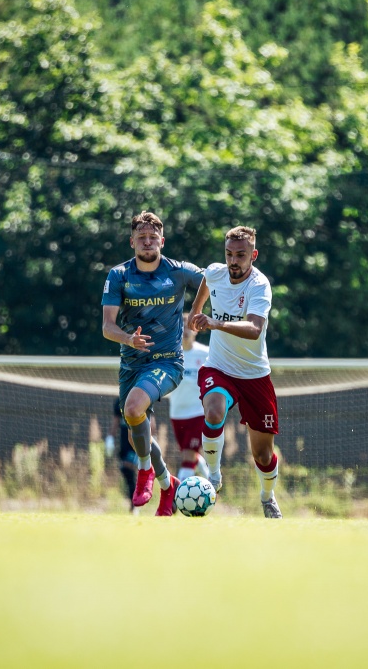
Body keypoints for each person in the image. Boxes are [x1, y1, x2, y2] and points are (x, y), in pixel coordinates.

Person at [101, 211, 203, 516]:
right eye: (141, 237)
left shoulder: (179, 271)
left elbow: (213, 280)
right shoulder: (119, 275)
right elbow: (108, 327)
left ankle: (145, 472)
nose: (147, 242)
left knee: (132, 409)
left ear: (162, 239)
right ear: (132, 241)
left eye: (152, 236)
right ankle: (167, 483)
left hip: (168, 362)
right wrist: (129, 339)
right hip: (131, 364)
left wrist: (197, 312)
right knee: (136, 430)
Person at [189, 226, 282, 518]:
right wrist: (196, 311)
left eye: (241, 255)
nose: (233, 261)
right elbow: (207, 280)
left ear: (253, 255)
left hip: (255, 375)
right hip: (219, 367)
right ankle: (214, 476)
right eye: (229, 254)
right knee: (213, 411)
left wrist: (215, 322)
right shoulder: (216, 272)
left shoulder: (259, 285)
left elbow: (254, 329)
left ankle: (267, 497)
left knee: (262, 455)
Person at [166, 312, 211, 481]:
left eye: (189, 326)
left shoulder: (206, 353)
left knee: (188, 457)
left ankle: (177, 497)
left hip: (198, 413)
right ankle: (213, 481)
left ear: (196, 330)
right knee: (190, 453)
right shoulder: (170, 355)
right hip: (177, 413)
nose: (185, 330)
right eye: (182, 326)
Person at [107, 397, 140, 512]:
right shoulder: (119, 401)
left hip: (136, 441)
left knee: (128, 466)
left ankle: (135, 503)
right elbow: (115, 421)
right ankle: (135, 500)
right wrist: (110, 437)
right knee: (125, 469)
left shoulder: (143, 397)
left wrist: (152, 439)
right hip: (124, 442)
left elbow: (152, 421)